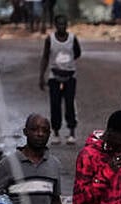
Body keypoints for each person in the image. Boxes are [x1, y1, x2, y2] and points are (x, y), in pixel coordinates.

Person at [39, 15, 82, 146]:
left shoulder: (72, 39)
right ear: (55, 25)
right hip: (54, 77)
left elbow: (77, 53)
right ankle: (56, 132)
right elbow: (45, 57)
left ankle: (72, 132)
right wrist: (41, 76)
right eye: (59, 24)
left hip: (70, 77)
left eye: (64, 24)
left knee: (70, 104)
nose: (62, 26)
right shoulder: (50, 39)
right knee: (55, 104)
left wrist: (67, 63)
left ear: (67, 25)